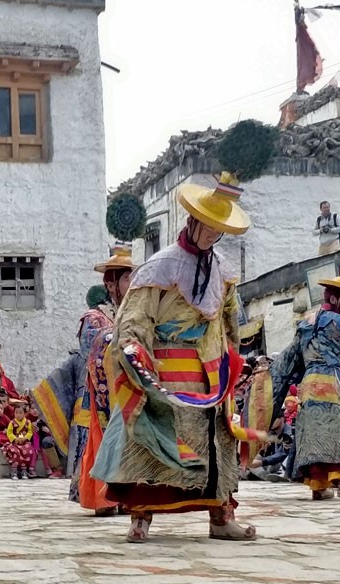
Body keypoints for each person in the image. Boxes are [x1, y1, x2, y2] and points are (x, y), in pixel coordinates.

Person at [91, 173, 258, 543]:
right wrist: (136, 358)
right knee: (151, 440)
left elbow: (230, 324)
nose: (213, 236)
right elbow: (134, 319)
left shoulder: (224, 273)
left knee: (217, 445)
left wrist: (234, 360)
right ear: (193, 221)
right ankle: (141, 517)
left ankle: (220, 516)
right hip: (163, 374)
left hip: (208, 378)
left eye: (220, 230)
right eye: (209, 228)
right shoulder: (160, 267)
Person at [272, 266, 340, 501]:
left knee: (314, 431)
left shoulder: (306, 322)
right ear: (335, 298)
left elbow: (291, 358)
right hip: (336, 382)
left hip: (310, 384)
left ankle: (319, 484)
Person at [69, 244, 135, 515]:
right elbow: (90, 352)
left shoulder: (134, 311)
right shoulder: (95, 317)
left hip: (129, 386)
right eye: (127, 277)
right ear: (111, 283)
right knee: (103, 440)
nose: (133, 282)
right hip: (102, 390)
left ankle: (131, 496)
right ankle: (103, 498)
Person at [2, 402, 37, 479]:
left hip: (24, 442)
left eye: (20, 413)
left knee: (28, 450)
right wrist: (15, 439)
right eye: (16, 413)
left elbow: (30, 432)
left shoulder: (28, 422)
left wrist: (26, 438)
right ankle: (14, 471)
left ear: (24, 413)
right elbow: (9, 432)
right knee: (14, 451)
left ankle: (24, 470)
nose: (18, 415)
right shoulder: (12, 423)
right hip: (16, 443)